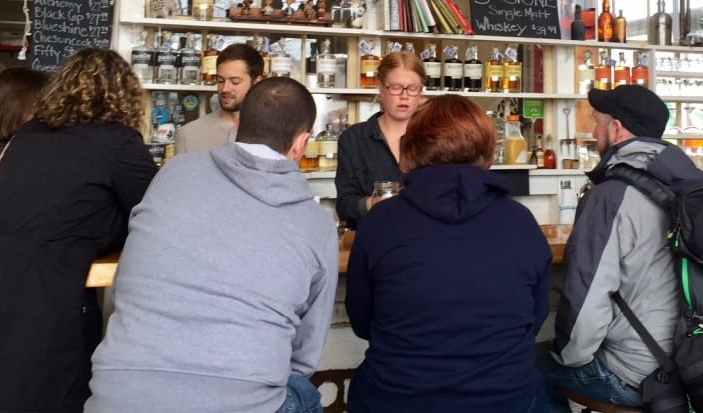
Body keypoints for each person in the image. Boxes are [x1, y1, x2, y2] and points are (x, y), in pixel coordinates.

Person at [0, 48, 157, 413]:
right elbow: (156, 213)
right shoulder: (118, 144)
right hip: (40, 313)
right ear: (125, 95)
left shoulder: (28, 136)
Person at [86, 77, 337, 413]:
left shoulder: (173, 173)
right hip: (241, 402)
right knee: (303, 394)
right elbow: (304, 355)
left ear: (240, 125)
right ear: (301, 143)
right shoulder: (316, 222)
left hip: (117, 395)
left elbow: (123, 292)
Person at [345, 94, 552, 412]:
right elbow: (534, 318)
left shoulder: (381, 222)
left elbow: (362, 322)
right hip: (504, 400)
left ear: (408, 152)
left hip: (398, 398)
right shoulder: (520, 221)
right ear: (487, 152)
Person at [539, 85, 703, 411]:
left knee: (529, 368)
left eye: (597, 123)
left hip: (639, 373)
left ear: (615, 129)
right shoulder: (695, 185)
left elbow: (585, 304)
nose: (593, 132)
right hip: (700, 361)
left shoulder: (610, 196)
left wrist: (566, 356)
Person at [335, 51, 425, 229]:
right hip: (373, 237)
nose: (404, 96)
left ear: (421, 90)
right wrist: (372, 204)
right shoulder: (354, 139)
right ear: (381, 88)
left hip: (424, 238)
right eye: (396, 87)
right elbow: (344, 206)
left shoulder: (433, 137)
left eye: (412, 88)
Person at [174, 41, 264, 154]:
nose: (225, 88)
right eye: (220, 80)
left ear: (257, 82)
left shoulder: (276, 135)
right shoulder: (188, 135)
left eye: (235, 82)